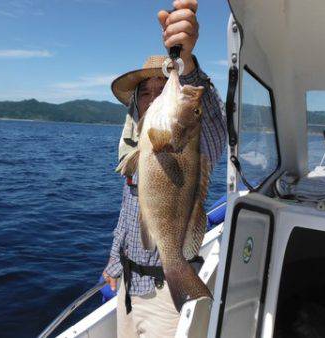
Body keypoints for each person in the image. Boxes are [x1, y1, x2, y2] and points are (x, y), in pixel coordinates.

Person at [103, 0, 227, 337]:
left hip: (163, 297)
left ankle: (179, 271)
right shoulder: (138, 149)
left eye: (163, 85)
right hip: (127, 287)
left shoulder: (186, 136)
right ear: (136, 102)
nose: (155, 95)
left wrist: (185, 62)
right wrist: (114, 262)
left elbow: (210, 118)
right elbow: (129, 213)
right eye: (146, 91)